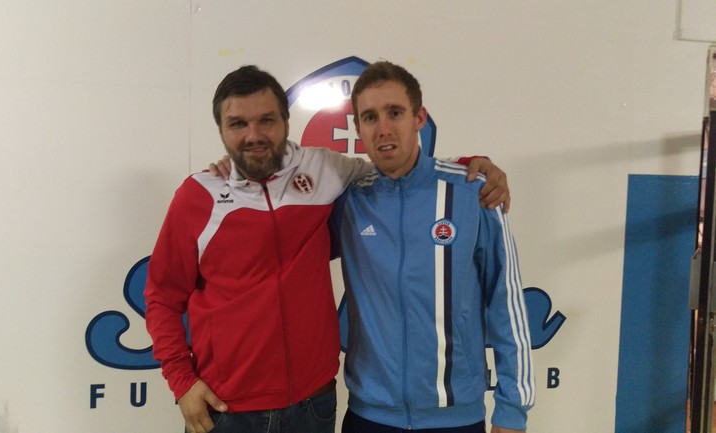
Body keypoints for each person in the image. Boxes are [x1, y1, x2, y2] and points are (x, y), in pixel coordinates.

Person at [144, 65, 511, 433]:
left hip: (313, 405)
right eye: (238, 124)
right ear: (221, 131)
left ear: (285, 123)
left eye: (266, 120)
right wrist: (182, 381)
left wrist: (471, 169)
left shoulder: (325, 169)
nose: (253, 135)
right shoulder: (198, 196)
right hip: (226, 409)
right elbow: (161, 296)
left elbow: (396, 170)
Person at [329, 61, 534, 433]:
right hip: (369, 417)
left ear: (419, 118)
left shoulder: (473, 193)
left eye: (395, 113)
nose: (383, 128)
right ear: (358, 128)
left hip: (456, 417)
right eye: (370, 117)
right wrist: (228, 174)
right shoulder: (347, 201)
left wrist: (513, 409)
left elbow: (506, 301)